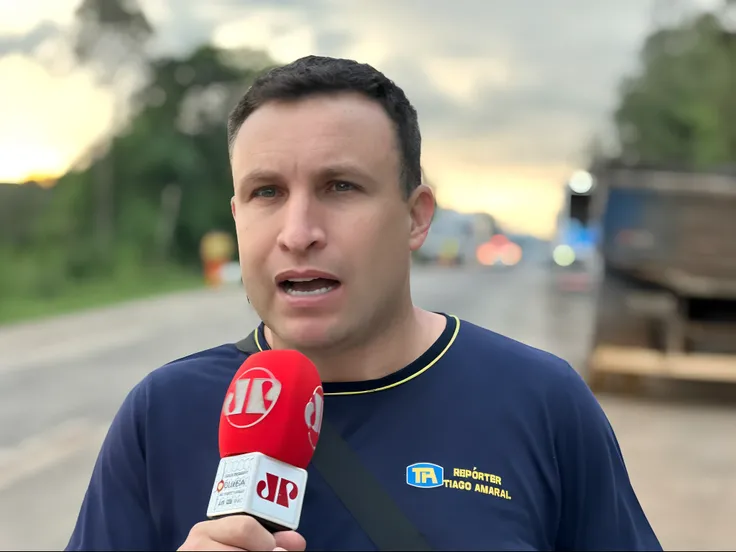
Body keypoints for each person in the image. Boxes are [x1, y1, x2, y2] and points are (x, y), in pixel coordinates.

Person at [65, 55, 661, 552]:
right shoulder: (162, 413)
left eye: (340, 187)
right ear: (238, 218)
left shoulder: (542, 403)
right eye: (266, 192)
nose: (298, 231)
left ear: (415, 216)